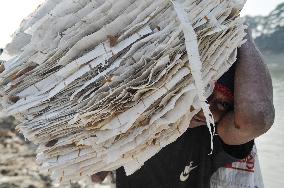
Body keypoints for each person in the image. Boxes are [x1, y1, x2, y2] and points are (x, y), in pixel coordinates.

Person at [91, 30, 275, 188]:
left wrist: (242, 34)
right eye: (203, 94)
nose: (206, 110)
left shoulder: (212, 138)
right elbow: (96, 175)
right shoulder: (137, 120)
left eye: (223, 104)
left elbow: (255, 118)